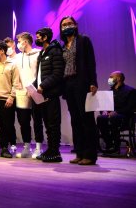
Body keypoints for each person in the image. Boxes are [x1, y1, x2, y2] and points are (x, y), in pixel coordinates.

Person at [60, 16, 99, 165]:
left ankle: (90, 155)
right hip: (68, 84)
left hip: (81, 83)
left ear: (75, 25)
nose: (67, 26)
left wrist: (93, 81)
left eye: (69, 23)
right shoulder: (63, 46)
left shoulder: (83, 40)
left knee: (86, 119)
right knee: (75, 120)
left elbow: (91, 62)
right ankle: (80, 152)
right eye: (64, 24)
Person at [34, 27, 64, 163]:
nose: (37, 39)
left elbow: (57, 73)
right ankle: (50, 150)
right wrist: (34, 87)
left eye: (38, 37)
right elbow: (41, 75)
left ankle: (55, 152)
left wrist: (43, 85)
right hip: (43, 95)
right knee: (47, 124)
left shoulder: (55, 50)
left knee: (53, 124)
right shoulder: (42, 53)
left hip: (51, 94)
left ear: (45, 37)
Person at [14, 32, 43, 159]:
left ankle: (38, 148)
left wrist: (35, 88)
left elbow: (41, 73)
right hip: (22, 93)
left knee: (37, 121)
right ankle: (27, 147)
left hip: (36, 91)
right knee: (23, 121)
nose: (18, 44)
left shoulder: (38, 53)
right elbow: (16, 75)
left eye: (19, 41)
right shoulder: (17, 57)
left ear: (25, 42)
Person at [97, 71, 136, 155]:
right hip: (110, 118)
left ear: (118, 78)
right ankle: (109, 144)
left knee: (115, 117)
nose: (109, 79)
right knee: (100, 117)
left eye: (111, 77)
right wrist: (104, 111)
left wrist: (116, 112)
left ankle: (116, 147)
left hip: (125, 118)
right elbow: (104, 106)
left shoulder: (130, 91)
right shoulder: (110, 92)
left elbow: (130, 108)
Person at [4, 37, 18, 155]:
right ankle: (11, 143)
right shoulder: (5, 60)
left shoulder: (19, 58)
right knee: (9, 121)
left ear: (14, 45)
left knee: (24, 121)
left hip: (22, 93)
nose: (7, 49)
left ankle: (28, 146)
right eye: (5, 47)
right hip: (9, 94)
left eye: (8, 47)